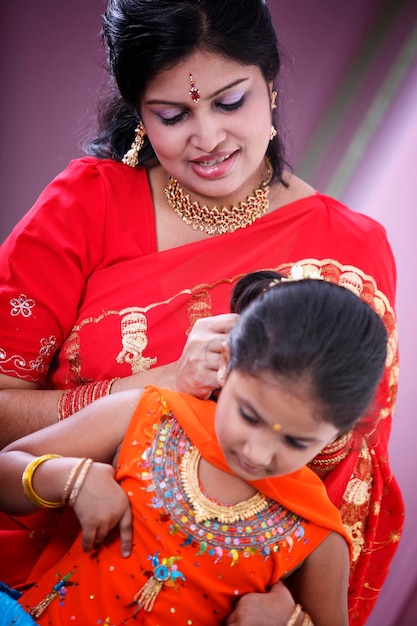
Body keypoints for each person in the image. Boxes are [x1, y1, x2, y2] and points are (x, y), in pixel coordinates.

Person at [0, 0, 403, 622]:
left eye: (230, 102)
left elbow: (340, 479)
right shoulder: (86, 206)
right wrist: (163, 385)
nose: (208, 138)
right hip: (26, 574)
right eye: (173, 114)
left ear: (270, 85)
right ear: (139, 112)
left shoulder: (350, 255)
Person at [0, 272, 389, 626]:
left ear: (337, 432)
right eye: (249, 415)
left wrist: (290, 623)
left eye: (295, 441)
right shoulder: (149, 414)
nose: (256, 451)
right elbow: (6, 467)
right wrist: (70, 480)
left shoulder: (318, 534)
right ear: (225, 364)